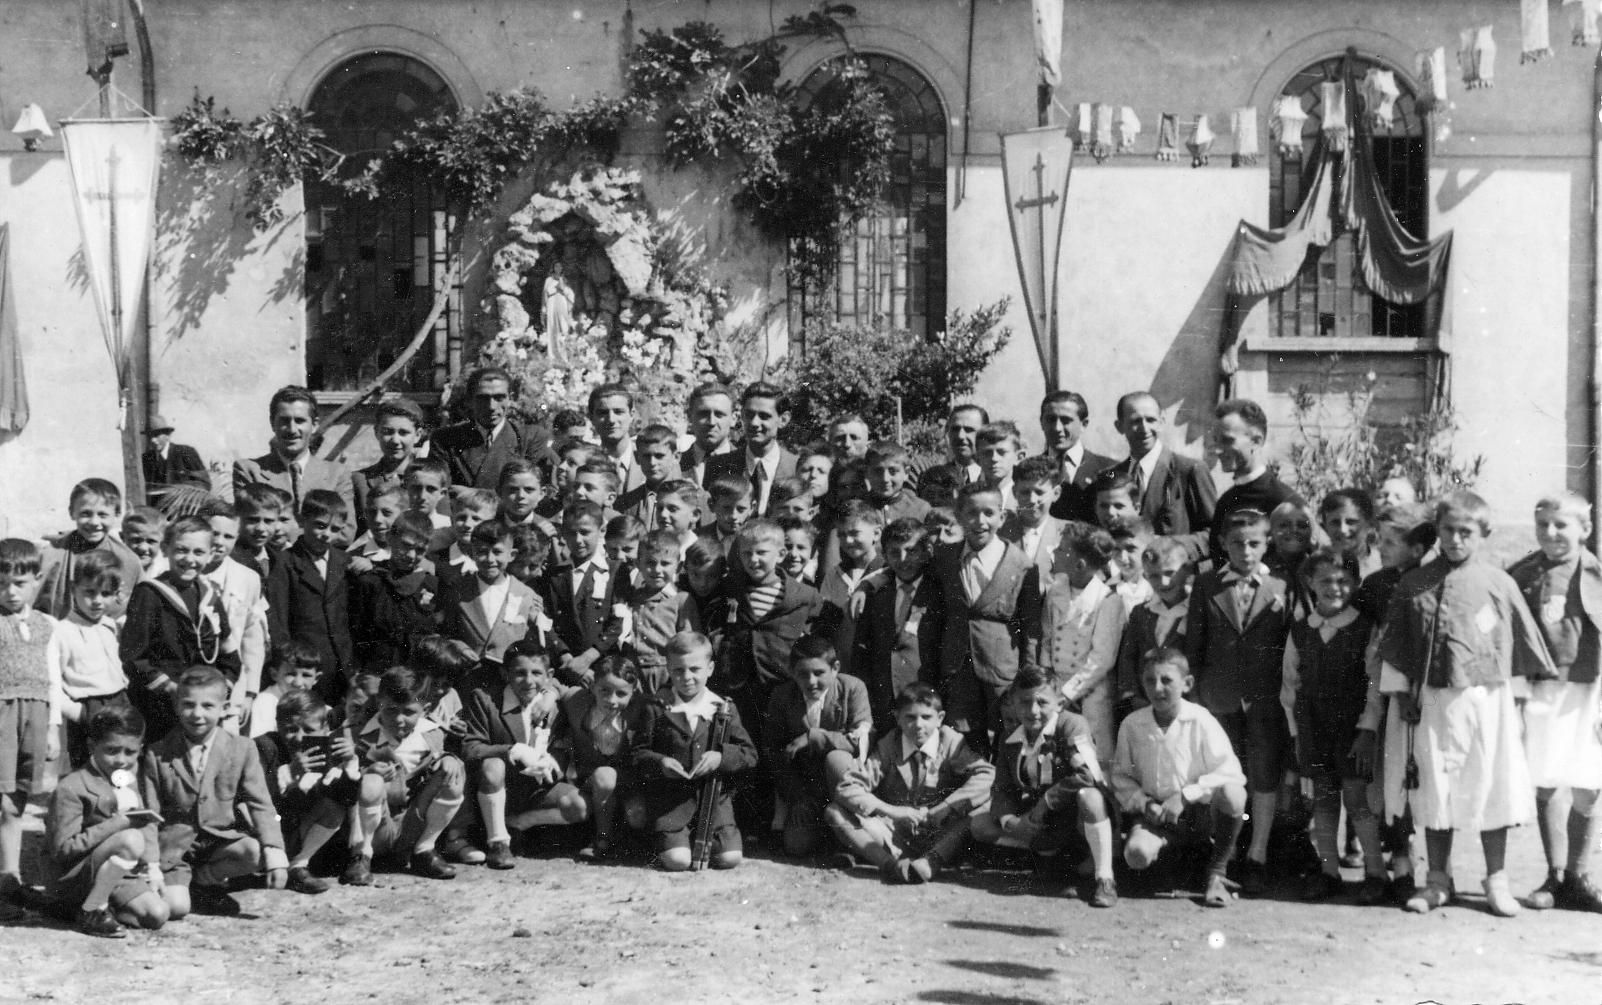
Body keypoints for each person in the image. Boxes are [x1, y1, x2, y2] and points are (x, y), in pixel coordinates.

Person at [1377, 491, 1555, 917]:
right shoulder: (1414, 583)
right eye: (1448, 530)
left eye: (1465, 532)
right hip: (1432, 702)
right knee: (1435, 788)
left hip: (1486, 701)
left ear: (1483, 533)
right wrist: (1401, 696)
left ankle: (1496, 880)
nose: (1455, 540)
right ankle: (1438, 879)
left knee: (1491, 785)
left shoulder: (1499, 583)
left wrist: (1517, 704)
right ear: (1437, 531)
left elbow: (1514, 646)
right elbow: (1397, 646)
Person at [1184, 508, 1292, 895]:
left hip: (1265, 697)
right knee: (1221, 774)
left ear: (1267, 544)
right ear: (1223, 545)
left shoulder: (1281, 584)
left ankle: (1257, 855)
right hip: (1219, 696)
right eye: (1237, 544)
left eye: (1254, 544)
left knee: (1264, 773)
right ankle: (1221, 856)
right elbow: (1194, 645)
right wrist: (1195, 697)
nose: (1246, 551)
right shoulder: (1207, 584)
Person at [1505, 493, 1602, 913]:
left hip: (1589, 689)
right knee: (1547, 779)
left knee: (1589, 783)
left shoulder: (1595, 574)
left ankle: (1580, 874)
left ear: (1586, 529)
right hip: (1544, 688)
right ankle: (1556, 874)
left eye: (1561, 524)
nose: (1551, 532)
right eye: (1542, 524)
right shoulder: (1524, 573)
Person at [1280, 549, 1386, 903]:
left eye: (1343, 580)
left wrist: (1367, 729)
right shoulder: (1301, 629)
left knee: (1357, 800)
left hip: (1352, 730)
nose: (1334, 587)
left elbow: (1375, 683)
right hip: (1314, 729)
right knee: (1324, 802)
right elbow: (1289, 686)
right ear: (1310, 582)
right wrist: (1297, 736)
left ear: (1354, 583)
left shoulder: (1364, 627)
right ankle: (1329, 872)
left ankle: (1376, 872)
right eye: (1325, 580)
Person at [143, 667, 288, 918]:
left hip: (218, 841)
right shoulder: (158, 753)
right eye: (189, 705)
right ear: (177, 706)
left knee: (255, 852)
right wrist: (152, 864)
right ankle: (182, 885)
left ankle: (204, 881)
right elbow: (149, 815)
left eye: (208, 706)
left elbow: (261, 803)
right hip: (176, 849)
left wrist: (275, 851)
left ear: (224, 708)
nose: (197, 714)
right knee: (176, 908)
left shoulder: (242, 748)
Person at [970, 666, 1117, 907]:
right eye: (1025, 702)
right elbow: (1002, 788)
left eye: (1042, 702)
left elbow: (1087, 774)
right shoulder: (1010, 737)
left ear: (1059, 702)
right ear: (1014, 704)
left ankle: (1104, 877)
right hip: (1042, 822)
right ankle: (1049, 861)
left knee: (1089, 796)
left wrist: (1045, 803)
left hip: (1075, 818)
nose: (1033, 711)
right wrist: (1010, 821)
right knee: (980, 824)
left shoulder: (1072, 725)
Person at [1112, 648, 1248, 909]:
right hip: (1157, 815)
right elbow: (1121, 777)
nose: (1157, 688)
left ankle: (1216, 873)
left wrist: (1185, 796)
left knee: (1233, 794)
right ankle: (1182, 861)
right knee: (1136, 855)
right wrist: (1144, 803)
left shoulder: (1201, 720)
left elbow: (1231, 770)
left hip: (1199, 814)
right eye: (1150, 680)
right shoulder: (1132, 724)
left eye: (1167, 680)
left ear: (1187, 683)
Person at [827, 682, 994, 883]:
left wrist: (946, 807)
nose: (918, 725)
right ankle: (890, 866)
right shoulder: (890, 744)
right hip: (895, 832)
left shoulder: (950, 742)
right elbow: (847, 787)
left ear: (940, 718)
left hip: (941, 833)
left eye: (926, 717)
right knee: (834, 811)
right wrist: (892, 811)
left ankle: (931, 862)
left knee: (983, 806)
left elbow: (988, 775)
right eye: (910, 717)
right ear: (898, 718)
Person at [926, 483, 1041, 756]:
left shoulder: (1022, 565)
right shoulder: (945, 558)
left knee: (1010, 740)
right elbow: (933, 618)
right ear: (959, 516)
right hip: (957, 668)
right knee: (965, 745)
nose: (980, 521)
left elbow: (1031, 629)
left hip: (1003, 671)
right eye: (971, 513)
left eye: (989, 513)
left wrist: (1028, 675)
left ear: (1002, 517)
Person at [631, 631, 757, 871]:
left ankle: (693, 840)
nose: (687, 677)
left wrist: (721, 757)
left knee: (730, 858)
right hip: (671, 803)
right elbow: (638, 753)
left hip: (713, 802)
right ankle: (670, 841)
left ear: (710, 669)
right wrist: (661, 763)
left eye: (695, 669)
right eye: (678, 670)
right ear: (668, 670)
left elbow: (749, 754)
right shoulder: (656, 707)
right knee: (678, 861)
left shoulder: (723, 707)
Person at [460, 639, 586, 869]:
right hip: (498, 787)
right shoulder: (486, 699)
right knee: (492, 766)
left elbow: (579, 695)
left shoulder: (553, 704)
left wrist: (551, 762)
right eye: (519, 673)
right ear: (505, 673)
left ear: (548, 675)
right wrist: (512, 751)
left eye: (536, 673)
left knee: (579, 805)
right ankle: (498, 842)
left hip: (536, 790)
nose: (528, 681)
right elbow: (471, 747)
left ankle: (518, 824)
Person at [46, 704, 168, 937]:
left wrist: (153, 868)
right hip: (74, 876)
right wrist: (118, 824)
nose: (121, 760)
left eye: (130, 752)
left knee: (157, 914)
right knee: (130, 839)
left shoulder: (126, 778)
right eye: (112, 750)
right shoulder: (72, 786)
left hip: (115, 873)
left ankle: (93, 907)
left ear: (140, 749)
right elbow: (62, 850)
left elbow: (146, 823)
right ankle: (90, 910)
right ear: (92, 746)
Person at [121, 518, 241, 741]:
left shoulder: (210, 596)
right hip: (160, 708)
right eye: (181, 550)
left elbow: (229, 654)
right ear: (165, 549)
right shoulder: (149, 593)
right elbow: (133, 657)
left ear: (210, 554)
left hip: (202, 711)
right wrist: (171, 688)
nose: (190, 559)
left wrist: (221, 689)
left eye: (198, 552)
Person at [344, 667, 467, 883]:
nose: (399, 719)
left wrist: (448, 758)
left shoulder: (432, 734)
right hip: (374, 827)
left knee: (453, 770)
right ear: (379, 704)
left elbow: (440, 761)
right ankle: (361, 856)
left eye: (409, 712)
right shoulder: (357, 735)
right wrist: (366, 772)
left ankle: (424, 849)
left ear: (425, 709)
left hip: (412, 823)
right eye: (391, 710)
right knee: (372, 780)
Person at [764, 635, 872, 856]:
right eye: (803, 674)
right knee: (796, 846)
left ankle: (849, 834)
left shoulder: (852, 688)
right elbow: (773, 751)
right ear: (792, 672)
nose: (811, 681)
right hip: (806, 788)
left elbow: (858, 741)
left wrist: (813, 737)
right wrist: (797, 796)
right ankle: (821, 831)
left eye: (819, 673)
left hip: (843, 781)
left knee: (837, 759)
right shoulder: (782, 696)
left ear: (835, 668)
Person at [0, 538, 61, 917]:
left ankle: (11, 879)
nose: (10, 592)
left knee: (18, 801)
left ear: (37, 580)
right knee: (1, 800)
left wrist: (52, 729)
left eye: (19, 583)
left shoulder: (47, 625)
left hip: (35, 718)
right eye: (2, 583)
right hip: (2, 718)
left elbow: (53, 680)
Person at [252, 689, 358, 894]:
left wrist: (350, 763)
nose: (299, 738)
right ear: (278, 725)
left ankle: (298, 866)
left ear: (325, 728)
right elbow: (258, 798)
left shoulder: (329, 747)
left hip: (304, 833)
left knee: (333, 806)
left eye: (309, 730)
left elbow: (348, 798)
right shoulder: (265, 747)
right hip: (271, 830)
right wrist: (290, 772)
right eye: (290, 729)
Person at [1035, 523, 1126, 757]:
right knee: (1054, 751)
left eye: (1062, 549)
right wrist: (1048, 683)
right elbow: (1047, 639)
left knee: (1091, 754)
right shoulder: (1055, 591)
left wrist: (1068, 693)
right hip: (1056, 688)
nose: (1054, 552)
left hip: (1090, 692)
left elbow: (1101, 659)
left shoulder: (1107, 600)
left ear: (1080, 564)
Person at [555, 654, 651, 861]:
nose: (611, 700)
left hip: (626, 781)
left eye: (621, 694)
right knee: (604, 776)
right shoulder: (577, 701)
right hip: (590, 780)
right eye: (604, 691)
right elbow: (554, 684)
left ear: (633, 692)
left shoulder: (641, 708)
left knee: (636, 815)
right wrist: (548, 695)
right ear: (592, 686)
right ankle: (603, 837)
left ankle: (628, 840)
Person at [264, 490, 355, 703]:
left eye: (335, 529)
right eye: (320, 526)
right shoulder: (285, 563)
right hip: (305, 669)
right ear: (302, 520)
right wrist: (292, 666)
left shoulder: (344, 561)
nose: (327, 535)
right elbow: (278, 621)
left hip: (343, 668)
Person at [853, 517, 941, 734]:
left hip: (925, 697)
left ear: (925, 552)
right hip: (884, 699)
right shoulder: (876, 594)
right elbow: (862, 650)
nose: (903, 559)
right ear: (884, 555)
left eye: (911, 551)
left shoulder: (939, 592)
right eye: (894, 552)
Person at [232, 385, 355, 532]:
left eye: (299, 420)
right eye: (284, 421)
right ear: (272, 423)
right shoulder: (249, 471)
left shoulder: (337, 474)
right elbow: (247, 528)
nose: (292, 429)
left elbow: (346, 531)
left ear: (314, 424)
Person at [1109, 391, 1216, 557]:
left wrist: (1169, 546)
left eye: (1151, 420)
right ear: (1119, 426)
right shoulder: (1113, 476)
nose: (1144, 429)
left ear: (1162, 421)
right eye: (1135, 421)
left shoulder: (1189, 470)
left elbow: (1215, 534)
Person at [50, 550, 130, 769]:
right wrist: (78, 713)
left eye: (106, 593)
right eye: (90, 592)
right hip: (90, 708)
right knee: (90, 770)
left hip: (120, 701)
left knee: (121, 768)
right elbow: (52, 682)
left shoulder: (110, 626)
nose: (97, 601)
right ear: (73, 588)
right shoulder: (63, 631)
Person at [430, 366, 555, 491]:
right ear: (469, 400)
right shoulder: (445, 439)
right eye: (483, 398)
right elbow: (440, 492)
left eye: (499, 398)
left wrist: (469, 493)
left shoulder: (529, 438)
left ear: (510, 399)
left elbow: (537, 492)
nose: (491, 406)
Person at [37, 477, 144, 622]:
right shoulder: (51, 554)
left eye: (103, 515)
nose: (94, 522)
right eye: (85, 514)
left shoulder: (128, 561)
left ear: (117, 513)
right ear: (72, 512)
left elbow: (139, 610)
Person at [200, 502, 269, 727]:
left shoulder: (247, 578)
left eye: (228, 536)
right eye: (214, 533)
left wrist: (249, 692)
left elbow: (252, 639)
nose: (219, 542)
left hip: (232, 689)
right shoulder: (180, 573)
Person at [442, 518, 544, 666]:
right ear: (472, 553)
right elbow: (444, 634)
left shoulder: (526, 595)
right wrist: (460, 647)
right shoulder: (458, 590)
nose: (490, 559)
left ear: (512, 555)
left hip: (509, 676)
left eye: (497, 552)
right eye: (482, 552)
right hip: (469, 674)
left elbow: (535, 642)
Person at [542, 501, 623, 688]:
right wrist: (566, 658)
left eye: (585, 532)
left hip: (603, 667)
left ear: (601, 531)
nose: (578, 540)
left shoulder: (616, 571)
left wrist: (586, 659)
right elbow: (546, 621)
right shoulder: (554, 574)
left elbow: (618, 623)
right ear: (563, 534)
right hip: (564, 667)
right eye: (571, 533)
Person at [350, 511, 442, 673]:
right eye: (406, 545)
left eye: (420, 550)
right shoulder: (371, 581)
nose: (411, 555)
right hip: (375, 671)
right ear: (390, 538)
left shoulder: (432, 585)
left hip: (414, 674)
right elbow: (355, 633)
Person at [1115, 536, 1193, 725]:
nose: (1163, 582)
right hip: (1145, 704)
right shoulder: (1141, 612)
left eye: (1170, 573)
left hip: (1185, 706)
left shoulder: (1197, 610)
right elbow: (1128, 658)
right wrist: (1132, 695)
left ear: (1186, 571)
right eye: (1154, 576)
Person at [1209, 399, 1296, 562]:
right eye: (1216, 441)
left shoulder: (1283, 500)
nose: (1218, 450)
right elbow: (1217, 561)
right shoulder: (1225, 501)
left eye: (1227, 440)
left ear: (1256, 441)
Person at [623, 530, 701, 693]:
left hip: (667, 676)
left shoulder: (681, 600)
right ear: (638, 564)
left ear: (678, 567)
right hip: (633, 675)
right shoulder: (632, 597)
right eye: (650, 562)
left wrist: (672, 684)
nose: (657, 569)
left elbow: (689, 646)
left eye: (665, 563)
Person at [705, 381, 797, 517]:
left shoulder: (797, 467)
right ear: (742, 415)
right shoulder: (718, 466)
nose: (754, 423)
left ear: (783, 420)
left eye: (764, 416)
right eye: (749, 415)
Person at [816, 500, 882, 674]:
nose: (848, 541)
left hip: (876, 662)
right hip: (843, 660)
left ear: (876, 533)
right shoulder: (834, 574)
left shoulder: (886, 571)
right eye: (842, 535)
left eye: (854, 533)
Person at [352, 399, 426, 536]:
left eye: (403, 433)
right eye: (388, 431)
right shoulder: (359, 481)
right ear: (376, 432)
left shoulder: (429, 480)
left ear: (417, 435)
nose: (395, 440)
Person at [1040, 391, 1114, 524]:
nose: (1057, 428)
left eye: (1066, 420)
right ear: (1041, 423)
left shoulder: (1110, 469)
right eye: (1051, 419)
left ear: (1083, 424)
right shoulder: (1027, 470)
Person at [1001, 455, 1068, 579]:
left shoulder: (1068, 533)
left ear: (1056, 493)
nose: (1032, 500)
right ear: (1015, 492)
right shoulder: (1000, 530)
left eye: (1039, 492)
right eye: (1025, 492)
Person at [248, 641, 323, 740]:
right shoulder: (264, 703)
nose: (298, 683)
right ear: (274, 674)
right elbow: (260, 742)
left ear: (316, 678)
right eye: (291, 674)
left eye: (306, 675)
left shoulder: (314, 703)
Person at [432, 487, 496, 600]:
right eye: (461, 518)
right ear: (452, 520)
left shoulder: (498, 562)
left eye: (476, 519)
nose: (467, 524)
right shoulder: (435, 561)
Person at [588, 384, 650, 497]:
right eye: (602, 413)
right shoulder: (586, 463)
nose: (611, 420)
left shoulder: (651, 460)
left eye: (618, 412)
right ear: (591, 417)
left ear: (631, 415)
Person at [616, 424, 681, 528]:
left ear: (676, 457)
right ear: (637, 458)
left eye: (659, 456)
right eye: (646, 456)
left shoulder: (693, 498)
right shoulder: (625, 503)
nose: (652, 462)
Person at [141, 414, 210, 507]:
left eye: (156, 435)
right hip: (156, 511)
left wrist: (183, 495)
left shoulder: (186, 453)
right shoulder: (146, 459)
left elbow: (205, 484)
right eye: (150, 436)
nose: (152, 440)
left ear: (167, 436)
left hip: (184, 508)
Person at [918, 404, 987, 493]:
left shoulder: (995, 478)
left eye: (969, 430)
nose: (960, 436)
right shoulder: (933, 478)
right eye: (955, 429)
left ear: (985, 434)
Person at [681, 382, 736, 486]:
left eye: (719, 414)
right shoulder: (674, 466)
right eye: (703, 414)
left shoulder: (746, 465)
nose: (711, 422)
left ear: (733, 418)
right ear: (690, 417)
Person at [1320, 488, 1381, 583]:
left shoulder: (1384, 564)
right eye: (1335, 523)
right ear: (1325, 526)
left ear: (1369, 524)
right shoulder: (1316, 567)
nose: (1343, 530)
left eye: (1351, 522)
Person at [230, 484, 285, 582]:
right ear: (237, 518)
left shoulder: (278, 561)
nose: (260, 528)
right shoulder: (229, 558)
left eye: (268, 521)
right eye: (253, 520)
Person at [975, 421, 1023, 512]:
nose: (994, 458)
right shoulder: (968, 499)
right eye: (987, 453)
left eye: (1002, 452)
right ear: (977, 458)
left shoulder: (1025, 500)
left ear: (1018, 457)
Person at [704, 474, 755, 555]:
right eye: (726, 508)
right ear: (712, 505)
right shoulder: (695, 539)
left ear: (752, 507)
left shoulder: (758, 541)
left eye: (741, 509)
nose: (734, 516)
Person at [403, 454, 453, 533]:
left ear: (442, 493)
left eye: (431, 489)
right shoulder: (396, 522)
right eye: (416, 488)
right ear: (406, 488)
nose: (422, 496)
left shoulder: (449, 527)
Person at [121, 506, 167, 577]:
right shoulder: (112, 571)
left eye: (151, 541)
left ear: (162, 543)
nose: (143, 548)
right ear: (122, 537)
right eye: (136, 540)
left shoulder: (164, 574)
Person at [541, 261, 575, 353]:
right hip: (551, 302)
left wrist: (563, 289)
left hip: (562, 302)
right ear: (553, 268)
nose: (558, 268)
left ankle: (564, 351)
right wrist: (544, 309)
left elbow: (569, 293)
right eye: (556, 266)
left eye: (560, 266)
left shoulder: (564, 280)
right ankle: (552, 353)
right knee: (552, 325)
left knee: (563, 325)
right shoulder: (548, 280)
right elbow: (545, 294)